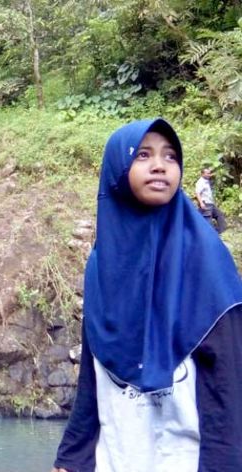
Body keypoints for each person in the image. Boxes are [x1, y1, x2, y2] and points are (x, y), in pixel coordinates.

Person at [52, 119, 242, 472]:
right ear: (117, 170)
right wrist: (71, 458)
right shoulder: (102, 264)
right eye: (143, 155)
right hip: (117, 454)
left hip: (185, 457)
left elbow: (230, 385)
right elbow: (93, 374)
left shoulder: (207, 259)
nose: (159, 165)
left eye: (170, 156)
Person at [195, 168, 228, 233]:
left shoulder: (206, 181)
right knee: (208, 220)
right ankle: (210, 234)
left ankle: (221, 230)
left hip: (210, 203)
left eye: (209, 173)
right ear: (202, 174)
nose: (209, 175)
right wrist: (201, 203)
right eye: (207, 173)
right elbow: (197, 193)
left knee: (219, 215)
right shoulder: (200, 182)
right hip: (205, 203)